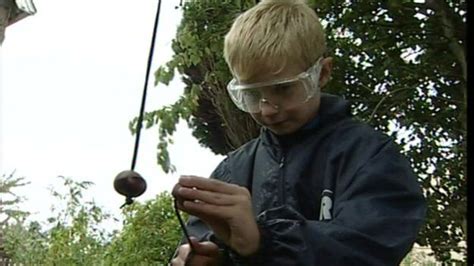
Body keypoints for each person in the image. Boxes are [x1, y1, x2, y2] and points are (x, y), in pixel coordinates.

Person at [171, 0, 426, 265]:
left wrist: (265, 241)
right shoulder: (231, 171)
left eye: (283, 89)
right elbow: (198, 241)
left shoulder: (369, 154)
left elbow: (371, 247)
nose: (267, 110)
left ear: (322, 73)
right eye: (252, 94)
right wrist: (207, 258)